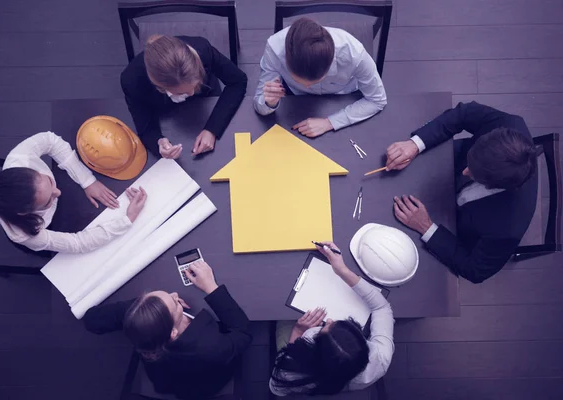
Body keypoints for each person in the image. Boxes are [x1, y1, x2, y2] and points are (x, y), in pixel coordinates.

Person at [387, 101, 540, 283]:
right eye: (470, 164)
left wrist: (426, 227)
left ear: (495, 184)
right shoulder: (510, 125)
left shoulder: (507, 229)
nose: (465, 172)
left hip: (452, 224)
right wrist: (415, 144)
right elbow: (464, 114)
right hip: (441, 167)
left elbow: (475, 271)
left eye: (474, 174)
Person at [83, 260, 252, 400]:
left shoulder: (140, 321)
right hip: (205, 386)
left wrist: (148, 307)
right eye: (174, 303)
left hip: (163, 381)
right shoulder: (212, 347)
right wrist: (210, 287)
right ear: (173, 332)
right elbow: (243, 332)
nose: (175, 294)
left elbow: (91, 320)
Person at [0, 131, 148, 253]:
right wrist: (127, 220)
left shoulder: (20, 157)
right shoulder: (24, 234)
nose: (58, 192)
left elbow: (51, 141)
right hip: (48, 227)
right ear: (25, 211)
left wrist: (87, 181)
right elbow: (78, 243)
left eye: (50, 182)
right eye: (48, 200)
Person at [270, 242, 394, 396]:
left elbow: (276, 388)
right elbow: (382, 307)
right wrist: (342, 271)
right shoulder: (380, 359)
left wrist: (298, 331)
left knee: (282, 313)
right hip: (340, 380)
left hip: (307, 363)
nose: (328, 320)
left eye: (323, 328)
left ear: (313, 347)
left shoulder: (293, 371)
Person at [254, 18, 387, 138]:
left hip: (345, 96)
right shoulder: (274, 48)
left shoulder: (355, 54)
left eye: (316, 81)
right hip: (296, 99)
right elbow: (259, 102)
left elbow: (377, 100)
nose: (308, 87)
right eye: (298, 80)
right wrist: (269, 103)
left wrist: (330, 122)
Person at [121, 35, 248, 159]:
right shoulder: (132, 80)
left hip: (207, 98)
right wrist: (158, 142)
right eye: (181, 92)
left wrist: (212, 129)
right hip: (165, 113)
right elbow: (145, 126)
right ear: (159, 86)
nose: (192, 93)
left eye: (195, 84)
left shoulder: (202, 49)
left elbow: (238, 81)